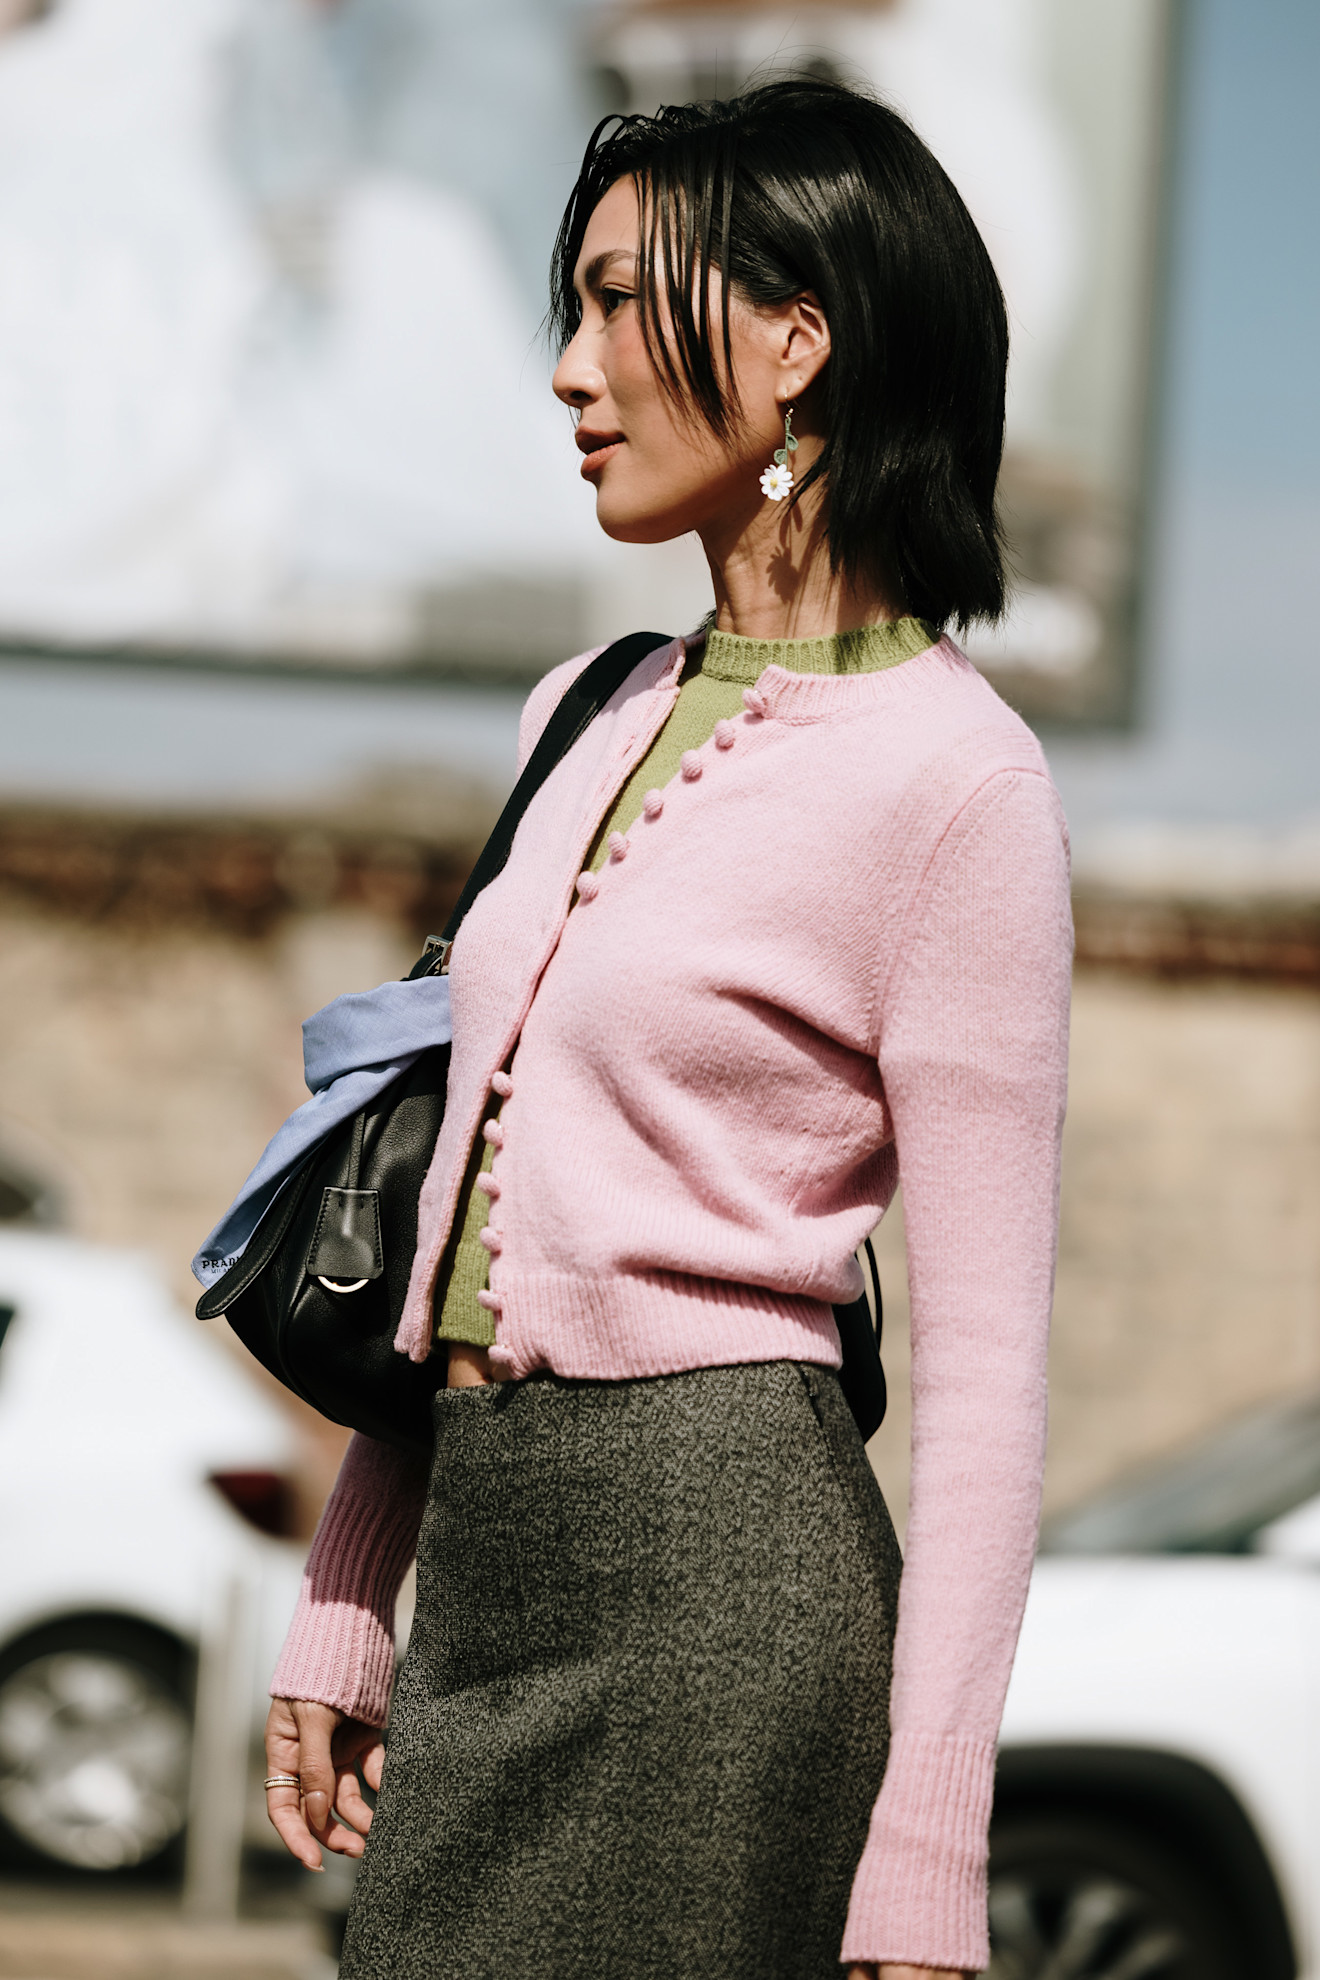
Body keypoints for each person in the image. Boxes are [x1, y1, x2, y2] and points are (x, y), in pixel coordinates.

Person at [260, 79, 1072, 1980]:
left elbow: (989, 1387)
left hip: (727, 1583)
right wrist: (348, 1593)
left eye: (629, 303)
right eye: (577, 304)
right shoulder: (584, 705)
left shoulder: (960, 785)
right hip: (490, 1572)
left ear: (801, 343)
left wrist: (930, 1848)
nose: (571, 368)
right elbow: (456, 1180)